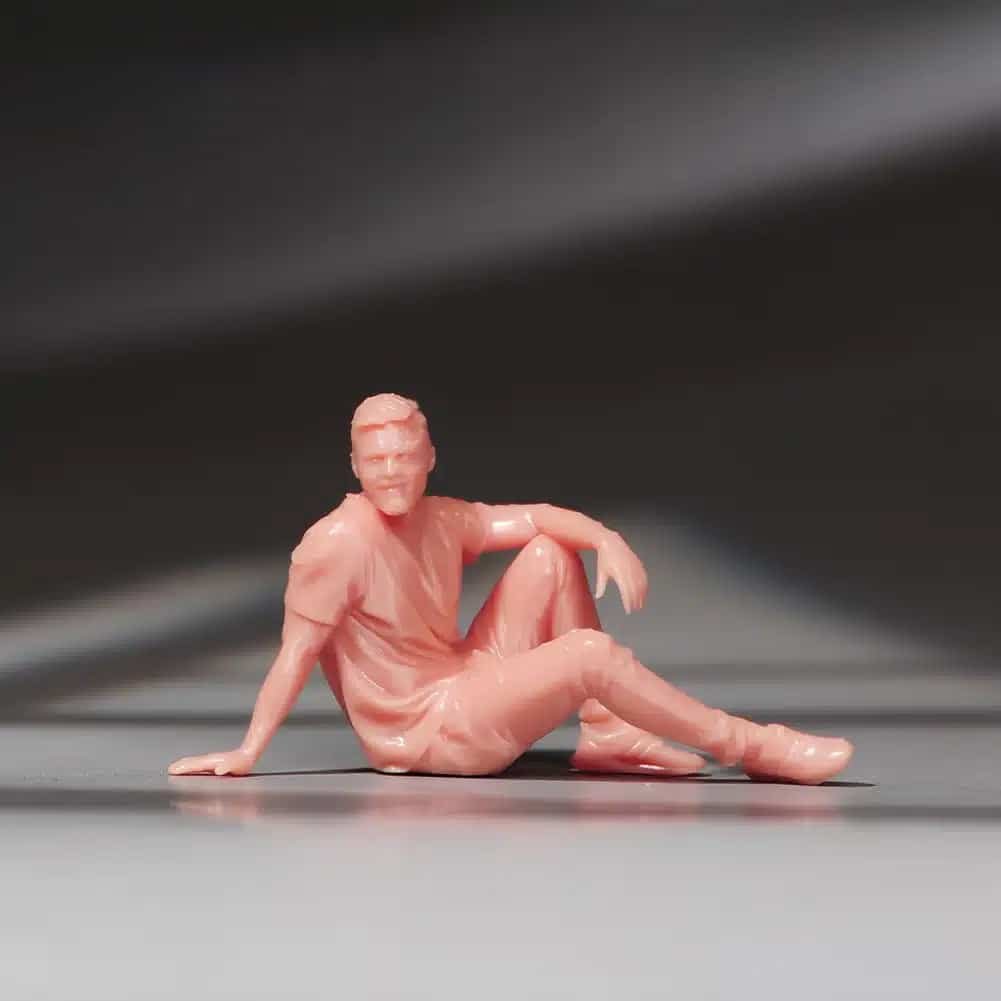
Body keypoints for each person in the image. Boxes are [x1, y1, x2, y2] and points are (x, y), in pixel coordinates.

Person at [169, 393, 853, 783]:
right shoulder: (334, 544)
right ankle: (749, 746)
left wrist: (604, 537)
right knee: (587, 654)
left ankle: (609, 732)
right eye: (376, 460)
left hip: (464, 681)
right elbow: (295, 653)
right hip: (430, 730)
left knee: (550, 553)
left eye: (404, 457)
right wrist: (247, 751)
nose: (391, 473)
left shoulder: (443, 518)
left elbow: (536, 517)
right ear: (354, 465)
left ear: (429, 458)